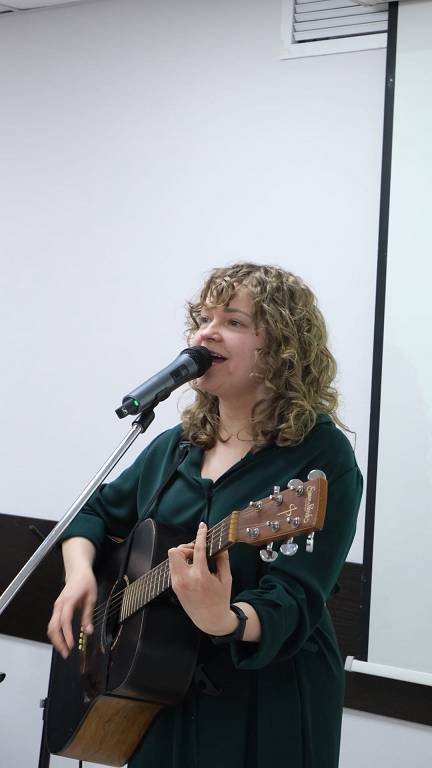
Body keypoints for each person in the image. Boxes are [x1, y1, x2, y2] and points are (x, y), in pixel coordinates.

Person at [47, 262, 363, 768]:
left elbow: (295, 596)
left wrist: (224, 619)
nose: (206, 333)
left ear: (283, 347)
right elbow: (95, 511)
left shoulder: (321, 457)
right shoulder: (176, 446)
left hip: (265, 705)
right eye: (203, 319)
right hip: (152, 691)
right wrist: (80, 574)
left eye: (233, 321)